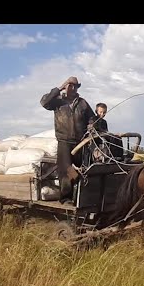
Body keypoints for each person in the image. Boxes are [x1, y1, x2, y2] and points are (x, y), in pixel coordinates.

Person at [40, 76, 95, 204]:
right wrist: (59, 88)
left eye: (75, 86)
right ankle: (65, 198)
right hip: (64, 141)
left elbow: (91, 117)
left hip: (80, 142)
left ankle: (79, 197)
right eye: (70, 85)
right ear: (66, 86)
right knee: (66, 170)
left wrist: (91, 124)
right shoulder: (57, 101)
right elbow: (44, 103)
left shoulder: (82, 103)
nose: (73, 88)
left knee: (82, 170)